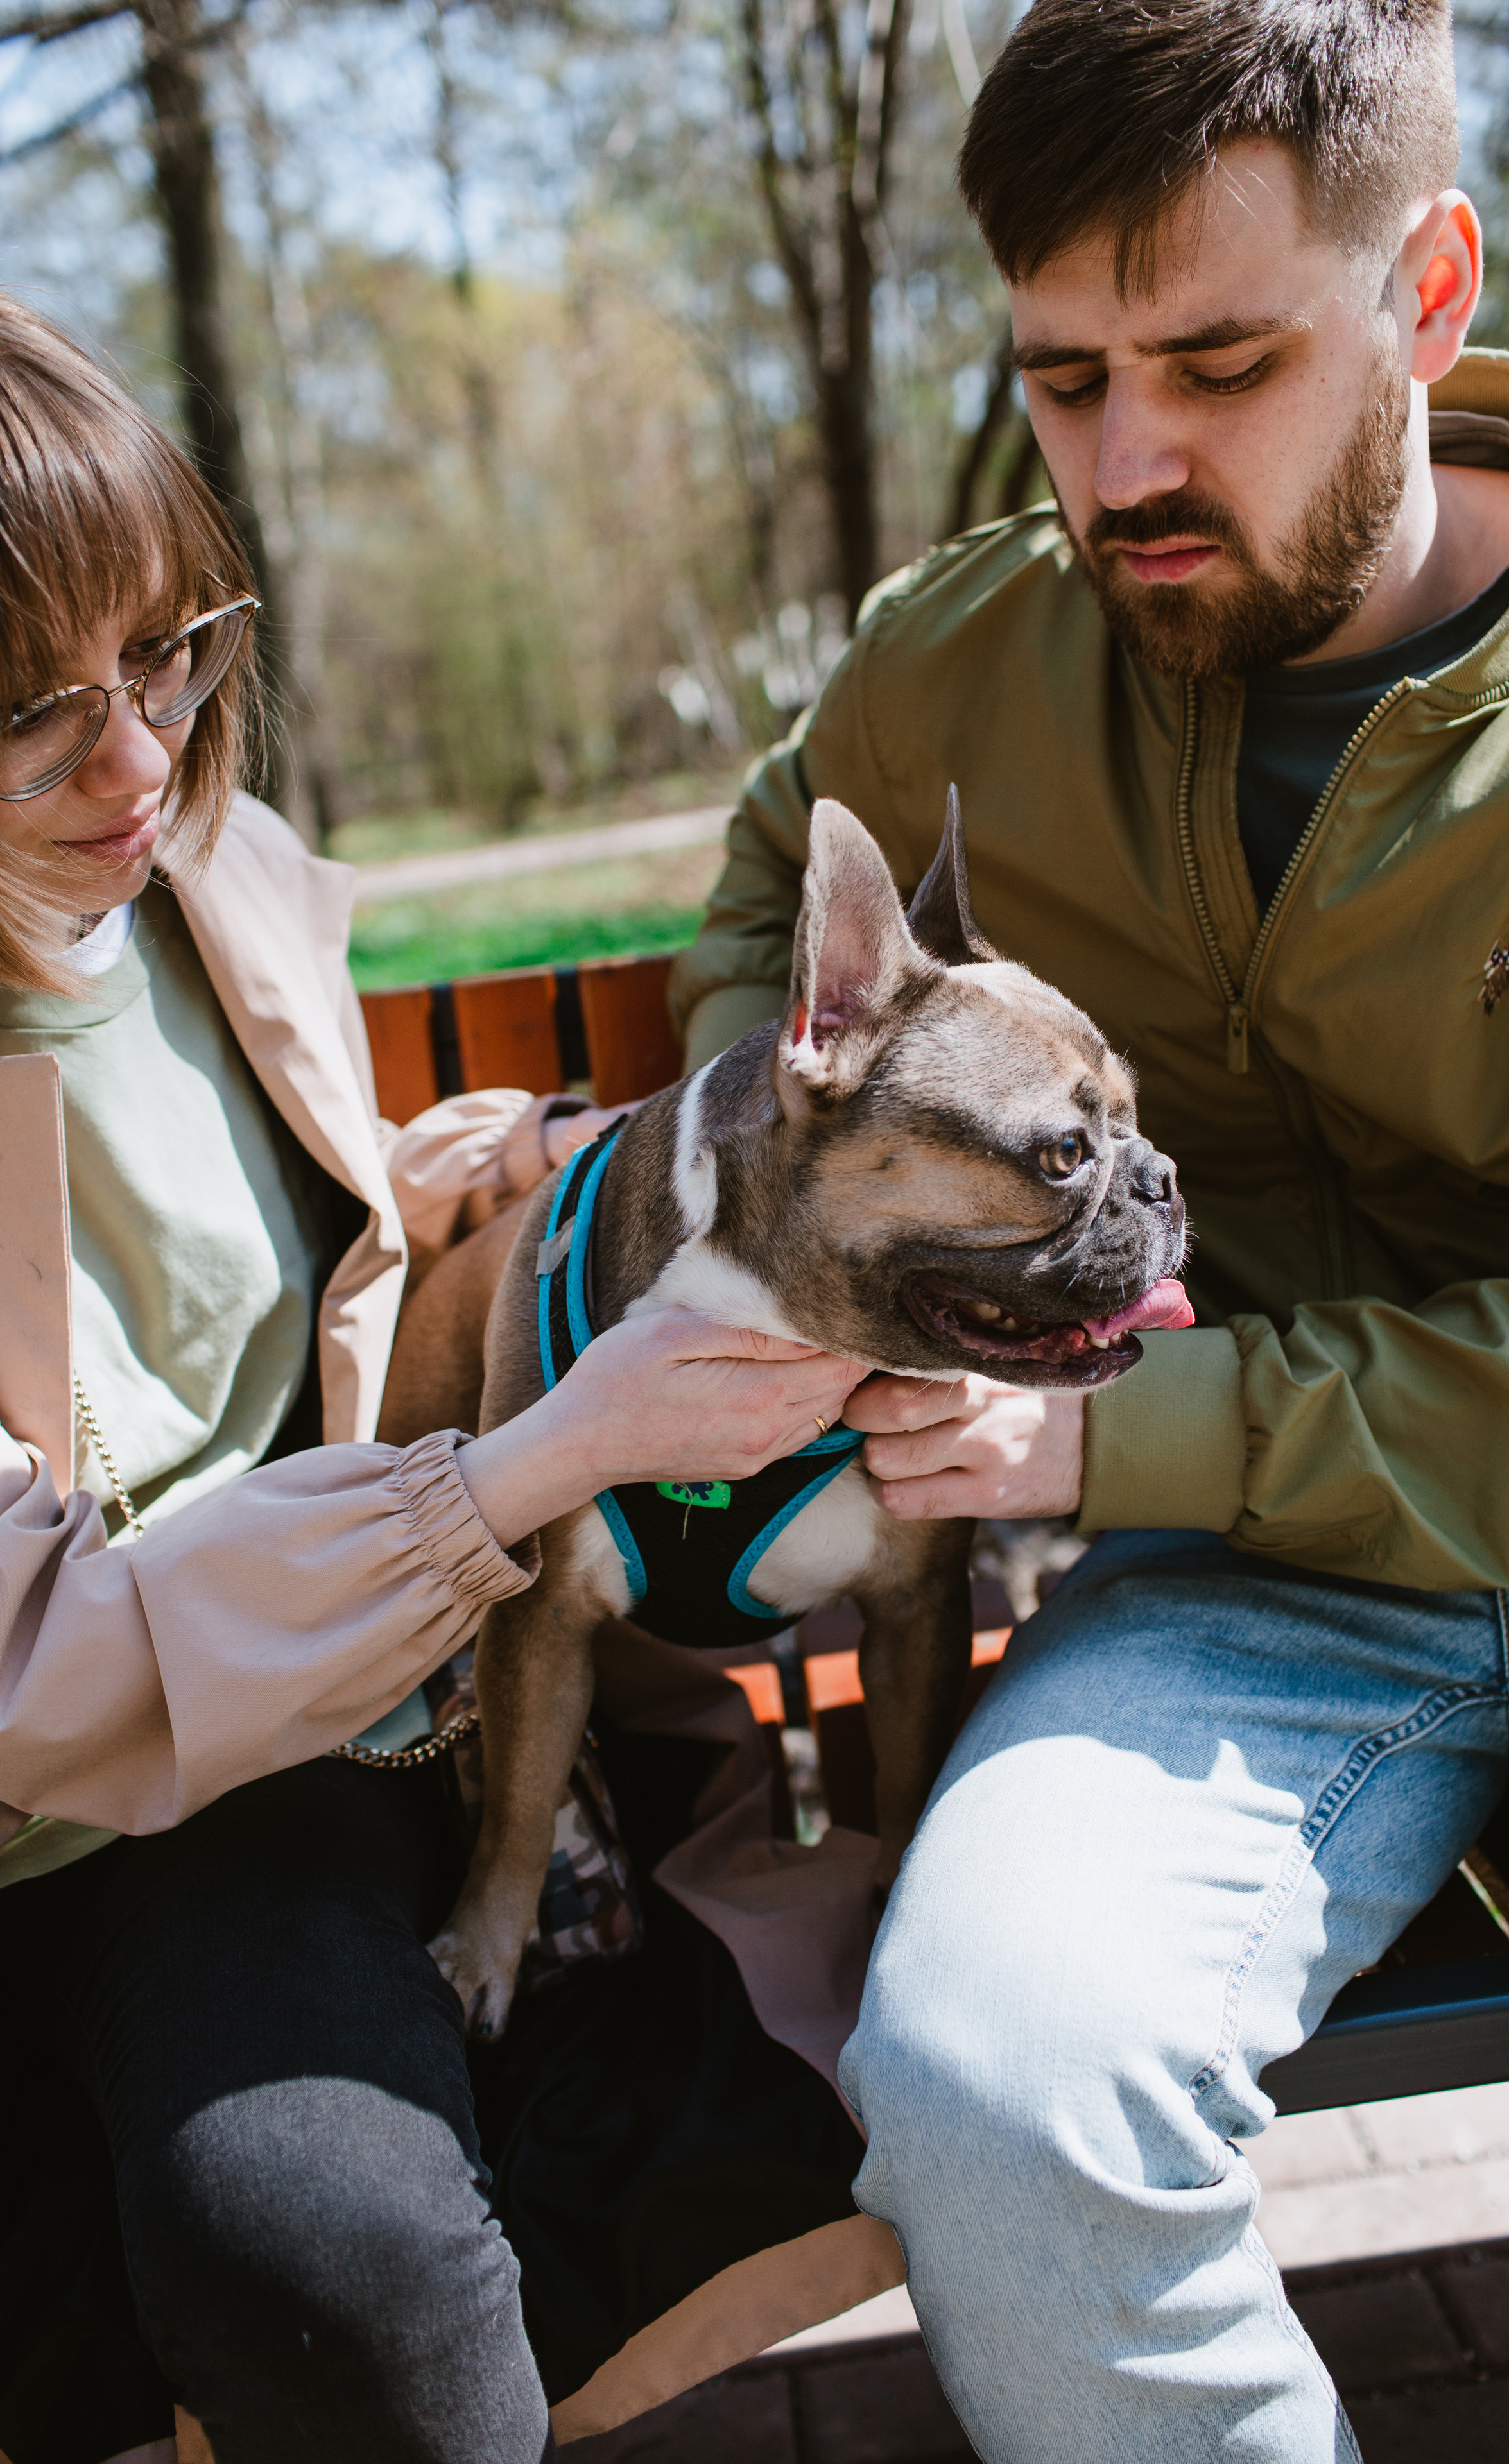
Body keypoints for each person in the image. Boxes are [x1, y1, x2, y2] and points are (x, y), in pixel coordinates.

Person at [668, 1, 1509, 2455]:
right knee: (992, 2083)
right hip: (1233, 1598)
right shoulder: (958, 665)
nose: (1128, 464)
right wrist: (842, 1240)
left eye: (1217, 362)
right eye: (1064, 381)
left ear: (1430, 292)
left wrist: (1112, 1433)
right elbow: (769, 922)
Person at [0, 296, 862, 2464]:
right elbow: (44, 1658)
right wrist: (550, 1457)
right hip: (70, 1758)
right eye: (28, 718)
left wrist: (409, 1178)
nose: (134, 760)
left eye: (168, 654)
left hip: (261, 1753)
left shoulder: (204, 881)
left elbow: (157, 1299)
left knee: (332, 2264)